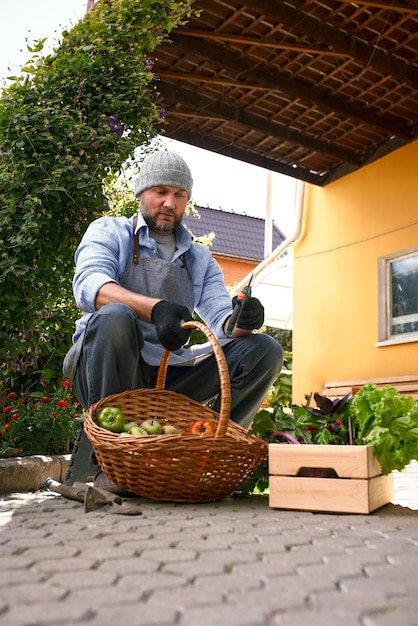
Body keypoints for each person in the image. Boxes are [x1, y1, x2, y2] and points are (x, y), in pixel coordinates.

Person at [63, 151, 283, 489]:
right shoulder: (110, 231)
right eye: (161, 191)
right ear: (141, 194)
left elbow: (221, 322)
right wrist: (156, 308)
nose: (169, 202)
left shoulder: (199, 258)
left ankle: (218, 456)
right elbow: (89, 286)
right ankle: (110, 461)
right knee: (115, 316)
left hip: (169, 373)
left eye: (179, 195)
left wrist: (242, 320)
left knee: (263, 349)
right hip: (109, 367)